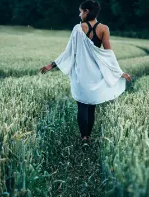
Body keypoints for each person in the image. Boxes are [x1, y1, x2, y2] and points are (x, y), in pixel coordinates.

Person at [39, 0, 132, 145]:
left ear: (87, 11)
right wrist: (119, 72)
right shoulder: (104, 29)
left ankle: (84, 138)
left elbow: (69, 52)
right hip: (96, 74)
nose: (79, 14)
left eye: (81, 11)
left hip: (81, 74)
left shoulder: (77, 28)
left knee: (82, 105)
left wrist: (52, 65)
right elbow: (108, 54)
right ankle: (88, 136)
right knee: (91, 106)